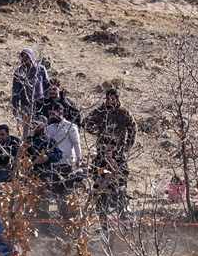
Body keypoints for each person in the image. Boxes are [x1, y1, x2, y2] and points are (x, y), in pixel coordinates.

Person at [84, 88, 137, 219]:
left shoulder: (123, 113)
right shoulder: (100, 111)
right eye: (108, 99)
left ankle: (122, 212)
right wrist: (97, 132)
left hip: (117, 150)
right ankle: (100, 212)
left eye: (112, 99)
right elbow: (85, 123)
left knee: (121, 179)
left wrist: (129, 143)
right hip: (101, 150)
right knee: (98, 178)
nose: (109, 101)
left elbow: (133, 127)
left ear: (117, 100)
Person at [45, 103, 82, 219]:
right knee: (56, 191)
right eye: (50, 113)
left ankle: (70, 215)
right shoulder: (49, 128)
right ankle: (62, 215)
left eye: (53, 113)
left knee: (67, 190)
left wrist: (79, 160)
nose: (51, 116)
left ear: (61, 113)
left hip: (67, 162)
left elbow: (76, 143)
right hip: (54, 164)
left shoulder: (70, 127)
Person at [24, 116, 62, 218]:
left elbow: (59, 155)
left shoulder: (50, 141)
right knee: (29, 197)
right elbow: (20, 156)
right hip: (31, 173)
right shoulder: (29, 139)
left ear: (45, 125)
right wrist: (24, 149)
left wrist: (48, 157)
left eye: (38, 124)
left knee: (44, 199)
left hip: (45, 173)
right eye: (34, 124)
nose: (36, 126)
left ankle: (45, 223)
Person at [12, 48, 51, 137]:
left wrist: (49, 101)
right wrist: (15, 106)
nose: (25, 58)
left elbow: (47, 85)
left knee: (42, 126)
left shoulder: (41, 69)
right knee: (27, 129)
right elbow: (16, 91)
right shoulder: (19, 72)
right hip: (26, 106)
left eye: (27, 56)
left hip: (41, 104)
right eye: (23, 56)